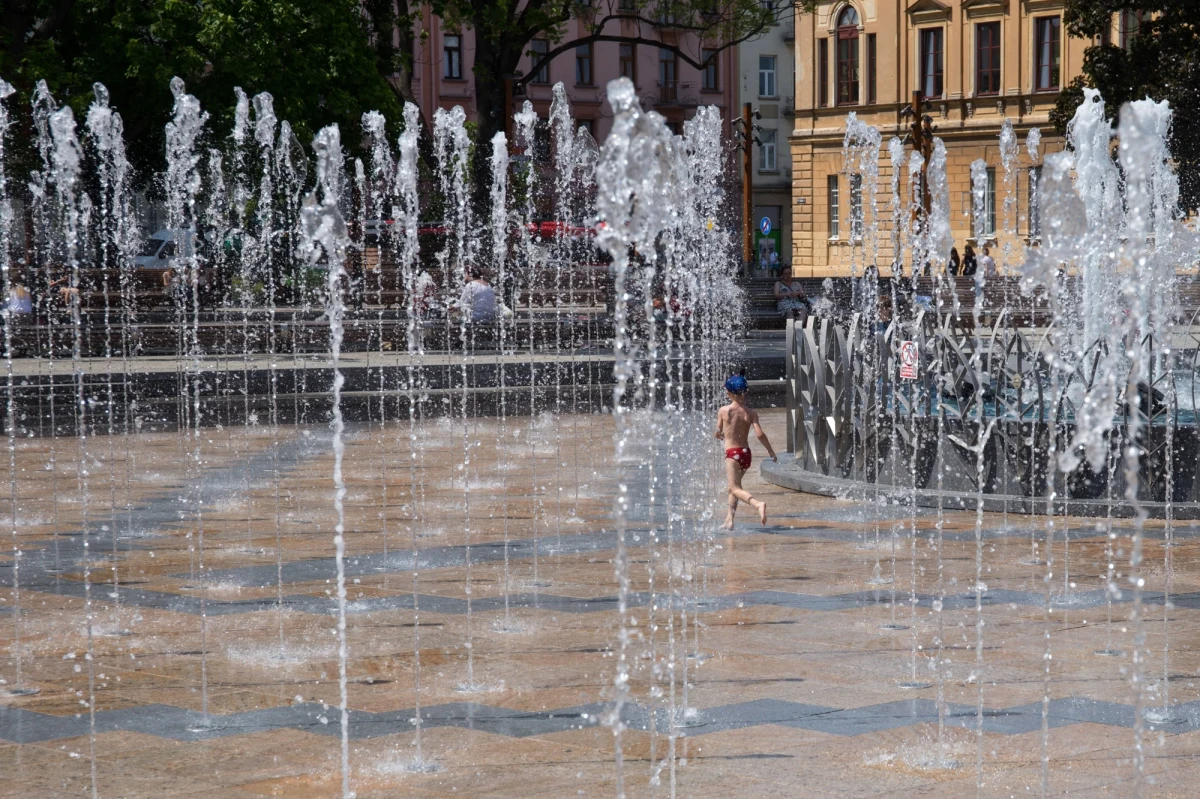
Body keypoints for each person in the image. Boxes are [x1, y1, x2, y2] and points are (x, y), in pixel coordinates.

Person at [715, 374, 777, 529]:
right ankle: (730, 519)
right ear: (745, 393)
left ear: (728, 394)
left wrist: (718, 434)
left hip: (732, 455)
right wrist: (770, 451)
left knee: (735, 488)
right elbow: (760, 434)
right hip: (745, 454)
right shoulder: (751, 413)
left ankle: (757, 504)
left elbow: (718, 431)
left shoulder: (724, 411)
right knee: (733, 487)